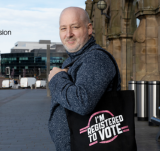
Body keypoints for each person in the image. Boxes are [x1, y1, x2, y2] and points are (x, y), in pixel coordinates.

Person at [48, 7, 121, 151]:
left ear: (89, 29)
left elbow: (82, 102)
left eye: (75, 27)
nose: (68, 34)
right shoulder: (74, 60)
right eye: (63, 28)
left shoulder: (96, 58)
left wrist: (57, 77)